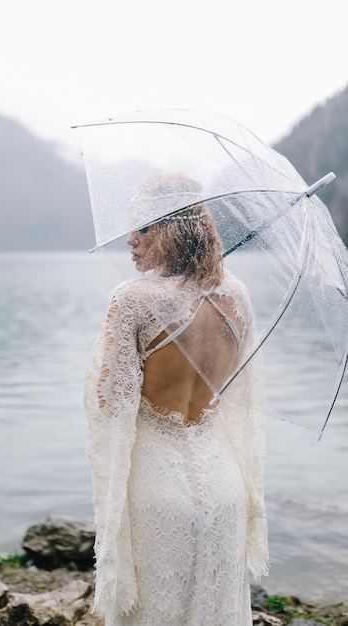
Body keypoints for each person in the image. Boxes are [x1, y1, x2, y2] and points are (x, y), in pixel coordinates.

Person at [84, 175, 269, 626]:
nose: (130, 240)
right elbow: (235, 385)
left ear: (172, 230)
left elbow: (109, 402)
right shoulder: (236, 296)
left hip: (156, 487)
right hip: (223, 483)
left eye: (143, 229)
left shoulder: (132, 299)